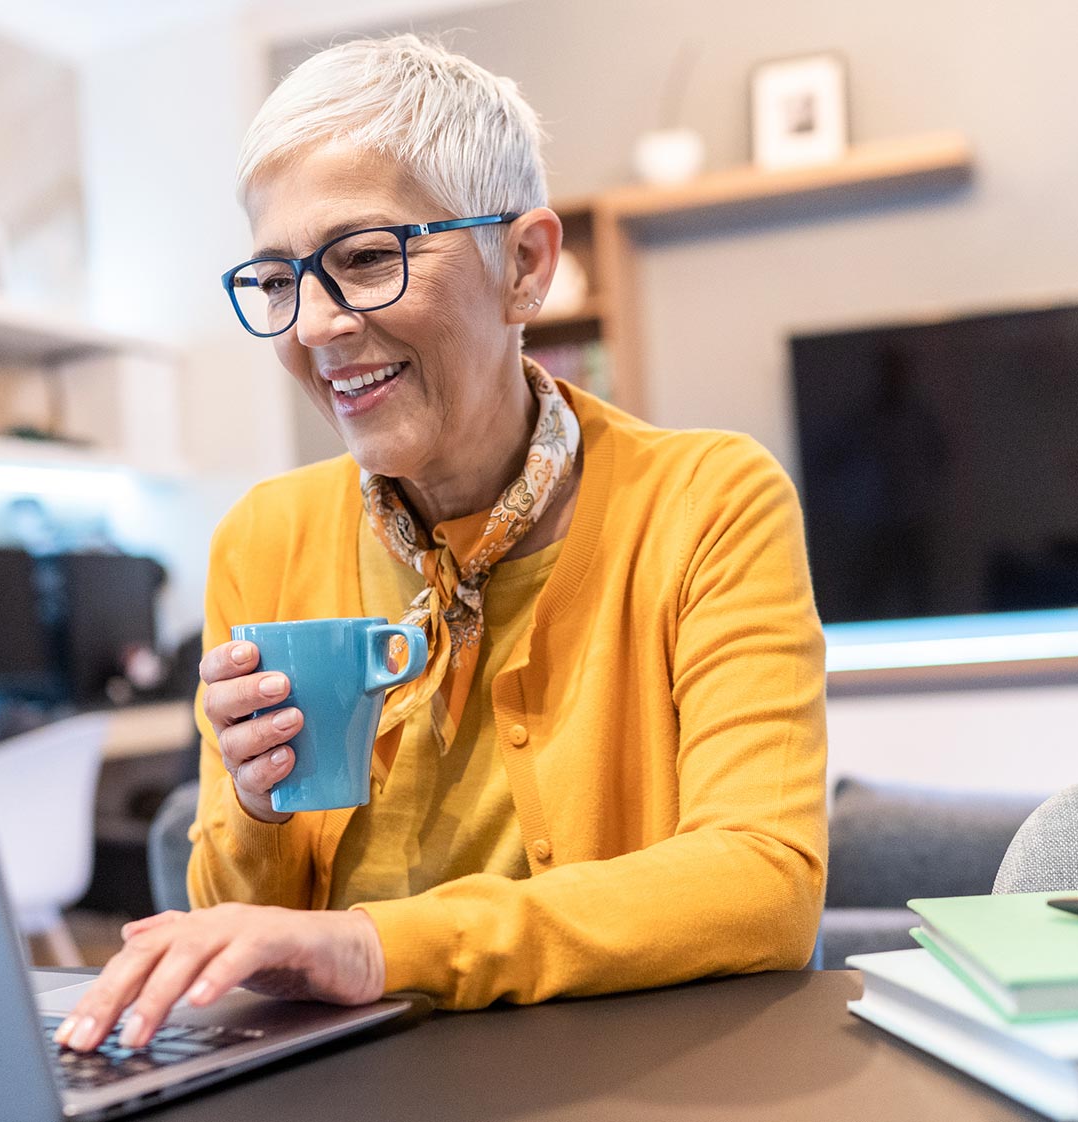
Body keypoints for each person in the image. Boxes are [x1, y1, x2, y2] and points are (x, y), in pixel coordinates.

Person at [57, 34, 827, 1055]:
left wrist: (381, 948)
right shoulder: (266, 536)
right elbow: (238, 916)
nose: (317, 327)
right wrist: (253, 804)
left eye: (367, 258)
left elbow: (762, 883)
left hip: (618, 1070)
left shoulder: (707, 502)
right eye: (279, 280)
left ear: (526, 266)